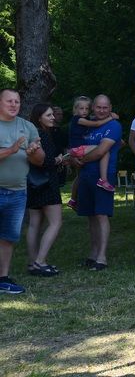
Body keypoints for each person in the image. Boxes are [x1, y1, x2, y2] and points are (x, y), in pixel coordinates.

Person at [0, 88, 45, 294]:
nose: (13, 105)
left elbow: (40, 159)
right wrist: (11, 150)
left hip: (18, 192)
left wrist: (32, 153)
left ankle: (3, 278)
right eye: (9, 101)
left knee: (8, 237)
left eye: (17, 101)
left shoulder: (27, 127)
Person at [74, 94, 122, 271]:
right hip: (85, 176)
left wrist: (81, 159)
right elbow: (74, 148)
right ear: (93, 107)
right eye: (99, 107)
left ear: (110, 108)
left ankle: (102, 258)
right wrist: (74, 159)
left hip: (104, 177)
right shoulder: (87, 125)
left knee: (101, 215)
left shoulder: (114, 125)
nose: (102, 110)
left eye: (105, 107)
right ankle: (93, 254)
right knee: (91, 216)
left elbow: (102, 150)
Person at [26, 104, 65, 277]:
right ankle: (40, 261)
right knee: (56, 223)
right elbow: (44, 161)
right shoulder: (41, 135)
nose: (52, 117)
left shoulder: (31, 134)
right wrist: (58, 160)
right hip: (47, 184)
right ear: (39, 117)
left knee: (35, 224)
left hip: (33, 184)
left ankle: (32, 263)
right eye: (48, 115)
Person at [66, 96, 119, 210]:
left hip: (77, 152)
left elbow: (94, 119)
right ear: (75, 109)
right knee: (104, 151)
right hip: (78, 151)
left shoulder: (86, 119)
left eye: (86, 108)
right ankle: (103, 180)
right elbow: (96, 124)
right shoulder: (78, 119)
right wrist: (110, 117)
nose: (84, 111)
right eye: (81, 109)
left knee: (78, 177)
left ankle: (73, 199)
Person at [50, 105, 69, 187]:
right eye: (58, 114)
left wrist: (67, 165)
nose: (61, 116)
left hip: (61, 163)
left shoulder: (63, 131)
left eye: (61, 114)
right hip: (50, 163)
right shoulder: (47, 131)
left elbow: (65, 148)